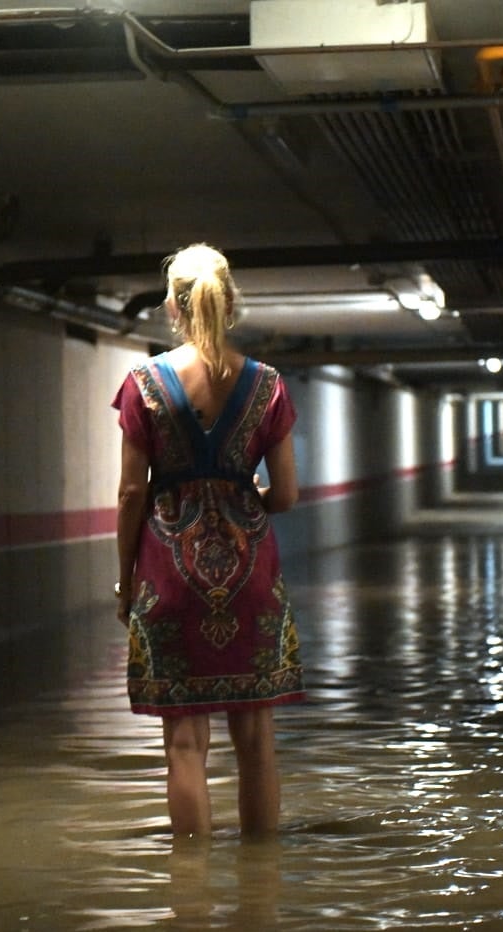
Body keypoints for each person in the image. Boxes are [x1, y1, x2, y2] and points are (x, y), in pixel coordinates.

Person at [111, 243, 303, 839]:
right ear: (229, 302)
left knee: (185, 745)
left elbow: (129, 495)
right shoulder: (266, 386)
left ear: (173, 305)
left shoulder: (143, 385)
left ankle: (190, 901)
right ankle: (260, 891)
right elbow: (289, 495)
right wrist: (241, 503)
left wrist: (127, 581)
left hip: (169, 576)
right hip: (249, 580)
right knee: (256, 743)